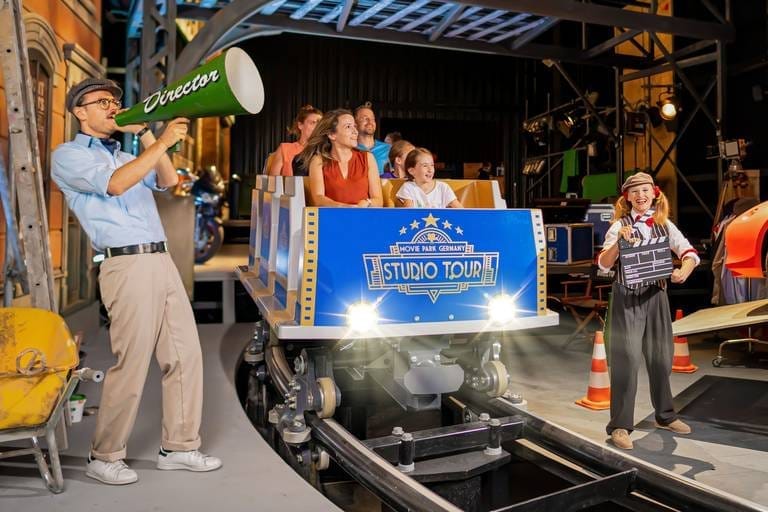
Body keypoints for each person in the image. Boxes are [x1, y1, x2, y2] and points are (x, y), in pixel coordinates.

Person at [52, 78, 222, 485]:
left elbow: (169, 180)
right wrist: (161, 142)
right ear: (80, 112)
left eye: (115, 100)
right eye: (102, 102)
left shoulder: (128, 154)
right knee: (131, 362)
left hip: (161, 258)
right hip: (125, 264)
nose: (113, 107)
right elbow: (115, 185)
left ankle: (179, 447)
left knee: (185, 355)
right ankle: (104, 455)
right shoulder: (68, 155)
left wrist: (146, 133)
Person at [597, 172, 699, 451]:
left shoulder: (664, 224)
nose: (640, 195)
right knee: (627, 360)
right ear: (627, 197)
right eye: (634, 191)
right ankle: (620, 426)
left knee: (661, 358)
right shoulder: (619, 226)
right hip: (627, 296)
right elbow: (603, 264)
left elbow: (689, 253)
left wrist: (683, 271)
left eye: (645, 190)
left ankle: (665, 416)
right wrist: (618, 243)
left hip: (656, 295)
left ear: (654, 193)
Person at [300, 108, 383, 207]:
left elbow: (378, 200)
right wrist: (343, 207)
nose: (355, 131)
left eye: (355, 126)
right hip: (333, 215)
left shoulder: (368, 158)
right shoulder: (318, 160)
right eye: (348, 127)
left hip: (362, 215)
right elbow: (318, 198)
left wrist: (367, 203)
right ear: (332, 135)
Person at [396, 148, 462, 208]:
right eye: (425, 166)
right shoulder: (408, 187)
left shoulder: (443, 188)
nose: (430, 170)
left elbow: (461, 211)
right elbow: (408, 213)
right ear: (411, 171)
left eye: (432, 165)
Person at [268, 104, 322, 177]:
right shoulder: (285, 148)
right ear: (300, 125)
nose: (317, 127)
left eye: (320, 124)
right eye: (313, 122)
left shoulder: (325, 151)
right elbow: (273, 180)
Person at [354, 102, 390, 176]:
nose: (370, 122)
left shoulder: (389, 149)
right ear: (355, 124)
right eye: (365, 118)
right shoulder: (350, 150)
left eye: (373, 119)